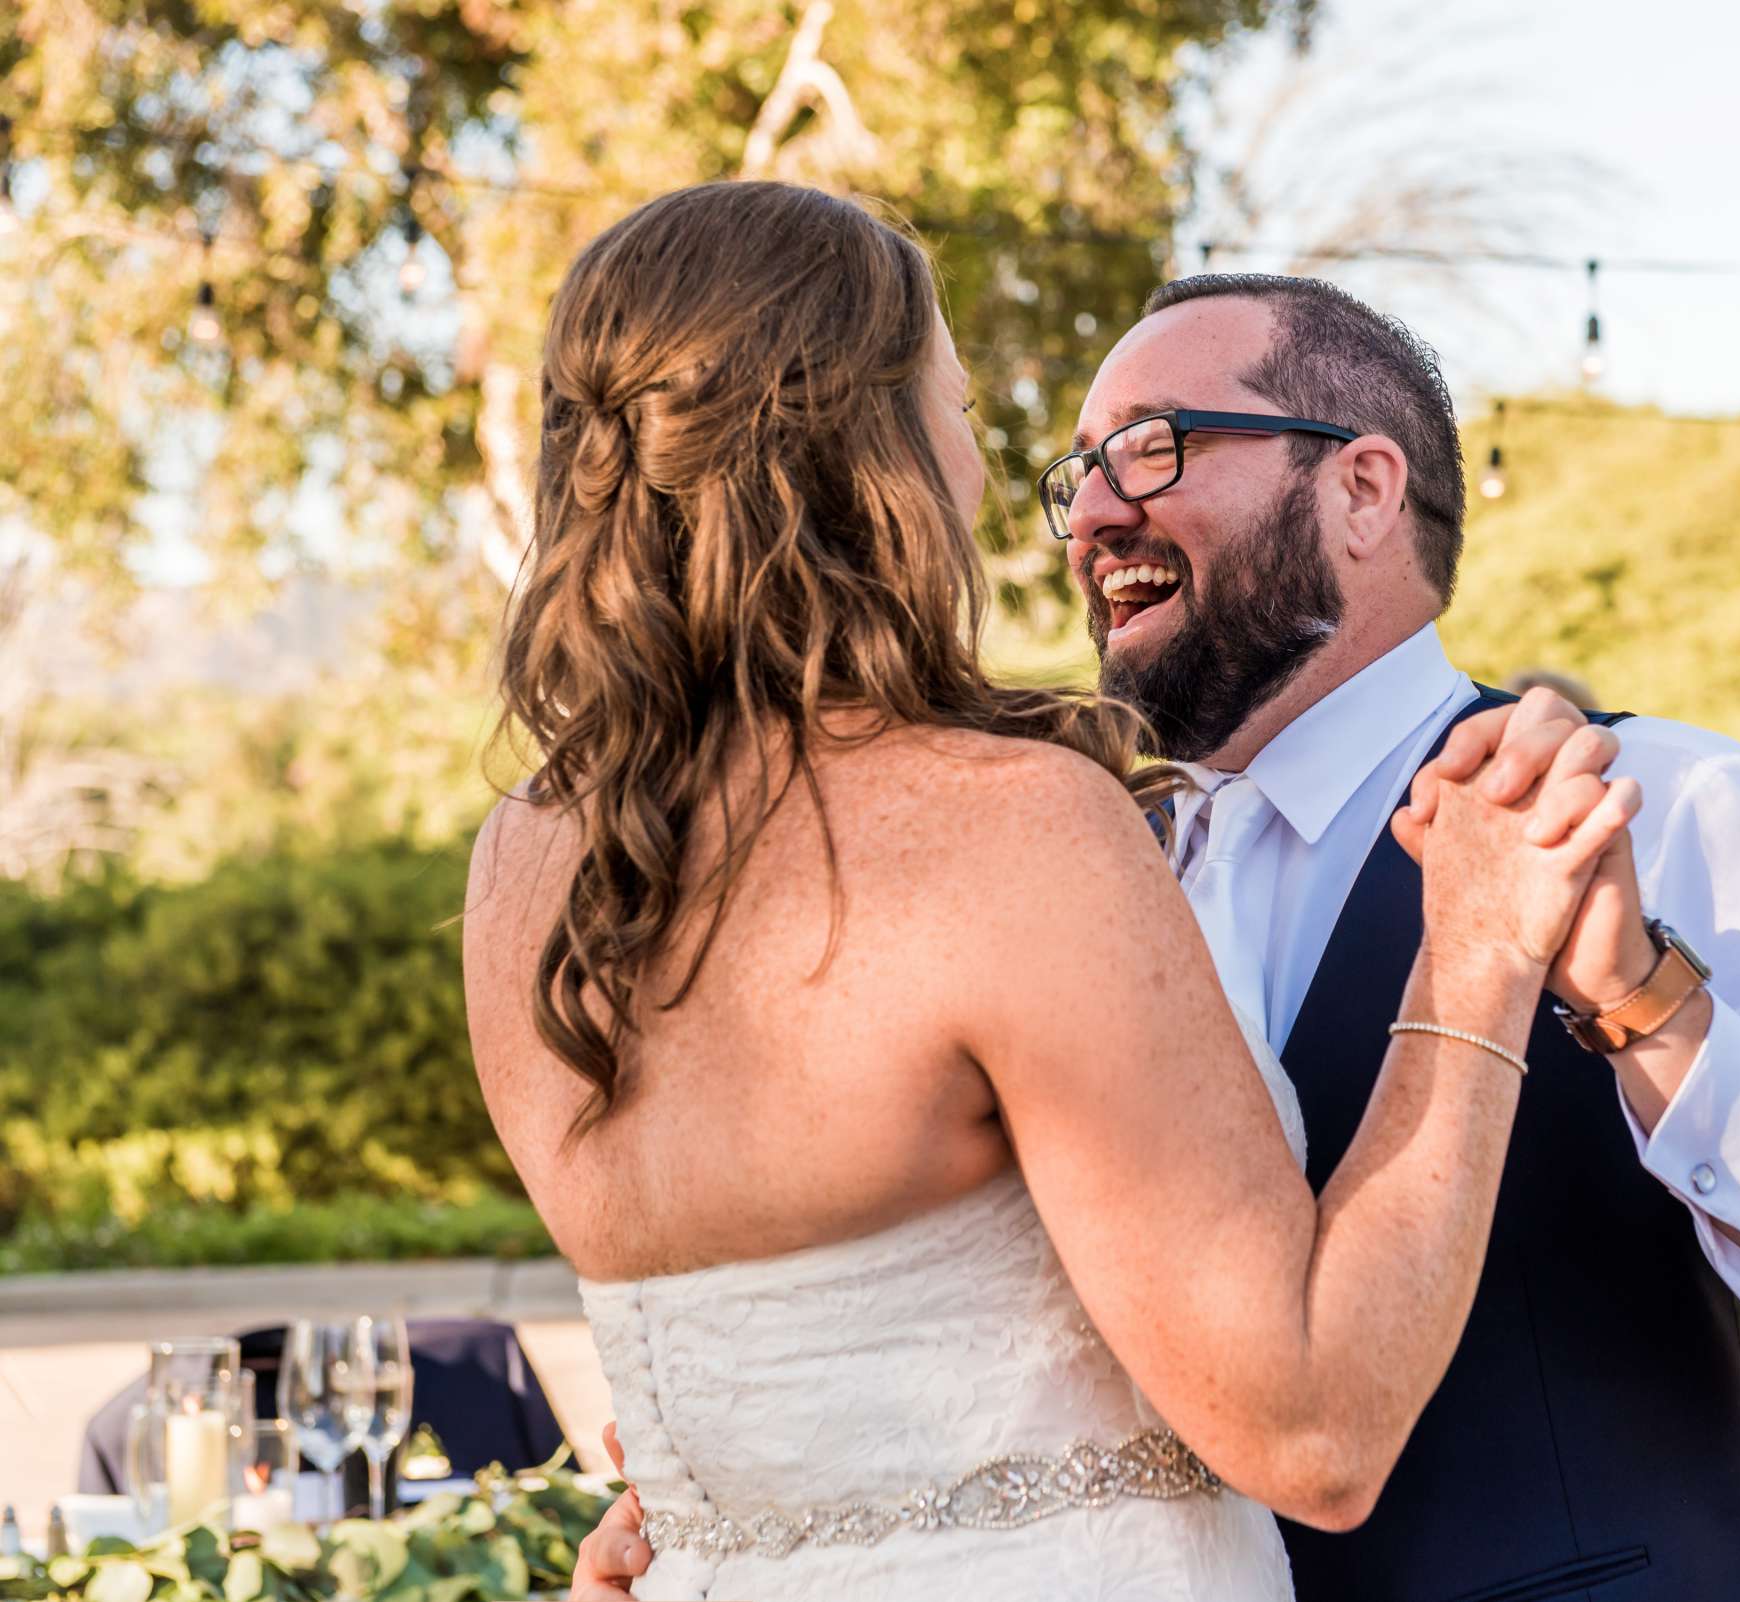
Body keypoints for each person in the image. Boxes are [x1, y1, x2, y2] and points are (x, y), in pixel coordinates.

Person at [577, 265, 1740, 1602]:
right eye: (1076, 476)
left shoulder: (1683, 811)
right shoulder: (1060, 878)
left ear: (1364, 487)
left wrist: (1646, 1003)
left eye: (1152, 447)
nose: (1089, 516)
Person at [469, 180, 1642, 1602]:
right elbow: (1317, 1426)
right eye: (957, 413)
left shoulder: (528, 866)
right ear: (875, 451)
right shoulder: (1006, 827)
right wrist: (1477, 944)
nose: (995, 478)